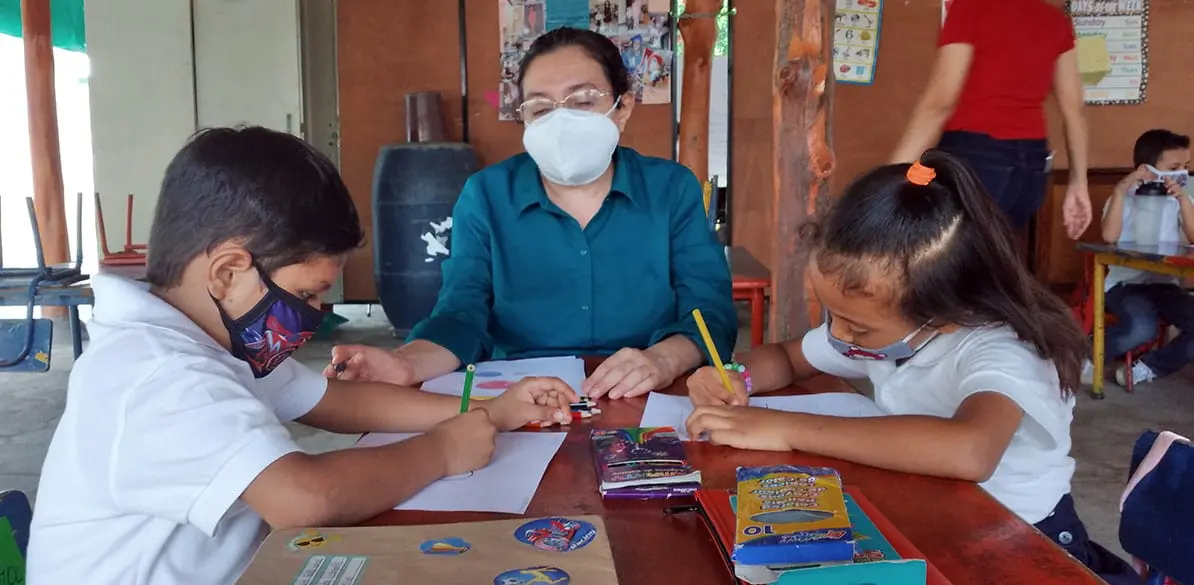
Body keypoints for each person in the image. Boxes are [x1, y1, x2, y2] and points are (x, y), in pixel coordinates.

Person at [26, 127, 577, 585]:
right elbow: (303, 499)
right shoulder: (158, 372)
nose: (313, 313)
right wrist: (440, 453)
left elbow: (337, 402)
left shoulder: (214, 338)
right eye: (308, 294)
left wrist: (489, 411)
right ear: (226, 272)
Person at [685, 151, 1137, 585]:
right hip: (932, 513)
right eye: (832, 317)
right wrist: (735, 377)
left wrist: (782, 428)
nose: (840, 337)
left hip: (1022, 542)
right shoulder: (886, 329)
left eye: (857, 329)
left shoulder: (1005, 350)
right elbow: (786, 358)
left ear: (942, 314)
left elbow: (971, 450)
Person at [330, 27, 735, 401]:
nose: (561, 121)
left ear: (622, 107)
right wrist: (404, 363)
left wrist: (664, 360)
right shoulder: (487, 195)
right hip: (522, 395)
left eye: (582, 101)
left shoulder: (671, 188)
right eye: (541, 109)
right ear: (522, 117)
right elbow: (460, 313)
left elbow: (709, 311)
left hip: (649, 391)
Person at [890, 0, 1092, 240]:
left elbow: (940, 102)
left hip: (978, 158)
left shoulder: (970, 7)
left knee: (953, 265)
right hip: (1032, 168)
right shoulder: (1055, 20)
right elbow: (1074, 111)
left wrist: (891, 177)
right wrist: (1079, 183)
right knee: (992, 263)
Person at [1094, 129, 1193, 387]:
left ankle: (1149, 367)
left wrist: (1183, 200)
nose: (1181, 173)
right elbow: (1108, 236)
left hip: (1166, 285)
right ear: (1146, 168)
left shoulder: (1179, 201)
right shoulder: (1124, 199)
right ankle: (1090, 351)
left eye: (1186, 166)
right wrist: (1120, 191)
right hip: (1126, 285)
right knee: (1141, 328)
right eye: (1174, 167)